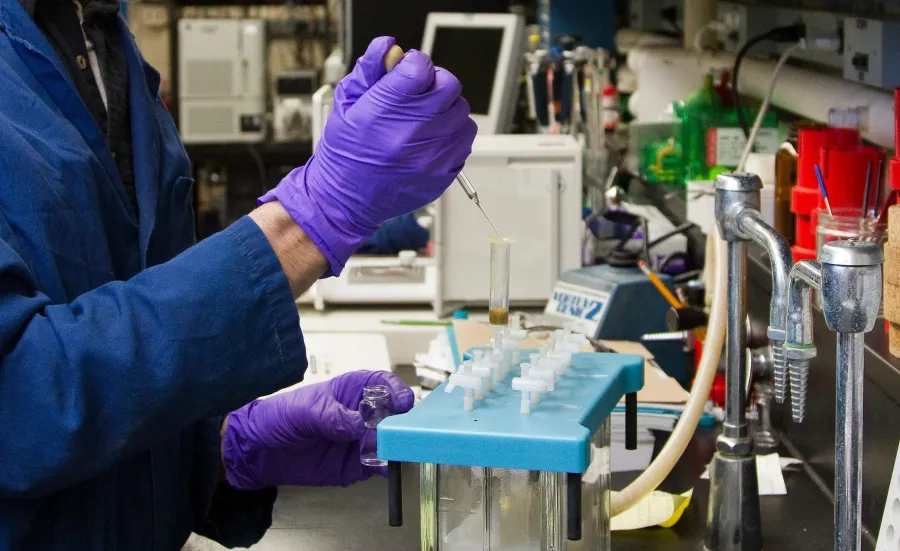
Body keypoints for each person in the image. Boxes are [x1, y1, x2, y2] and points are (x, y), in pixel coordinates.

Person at [0, 1, 476, 548]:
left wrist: (223, 444)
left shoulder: (104, 37)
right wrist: (306, 220)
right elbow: (18, 405)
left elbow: (127, 335)